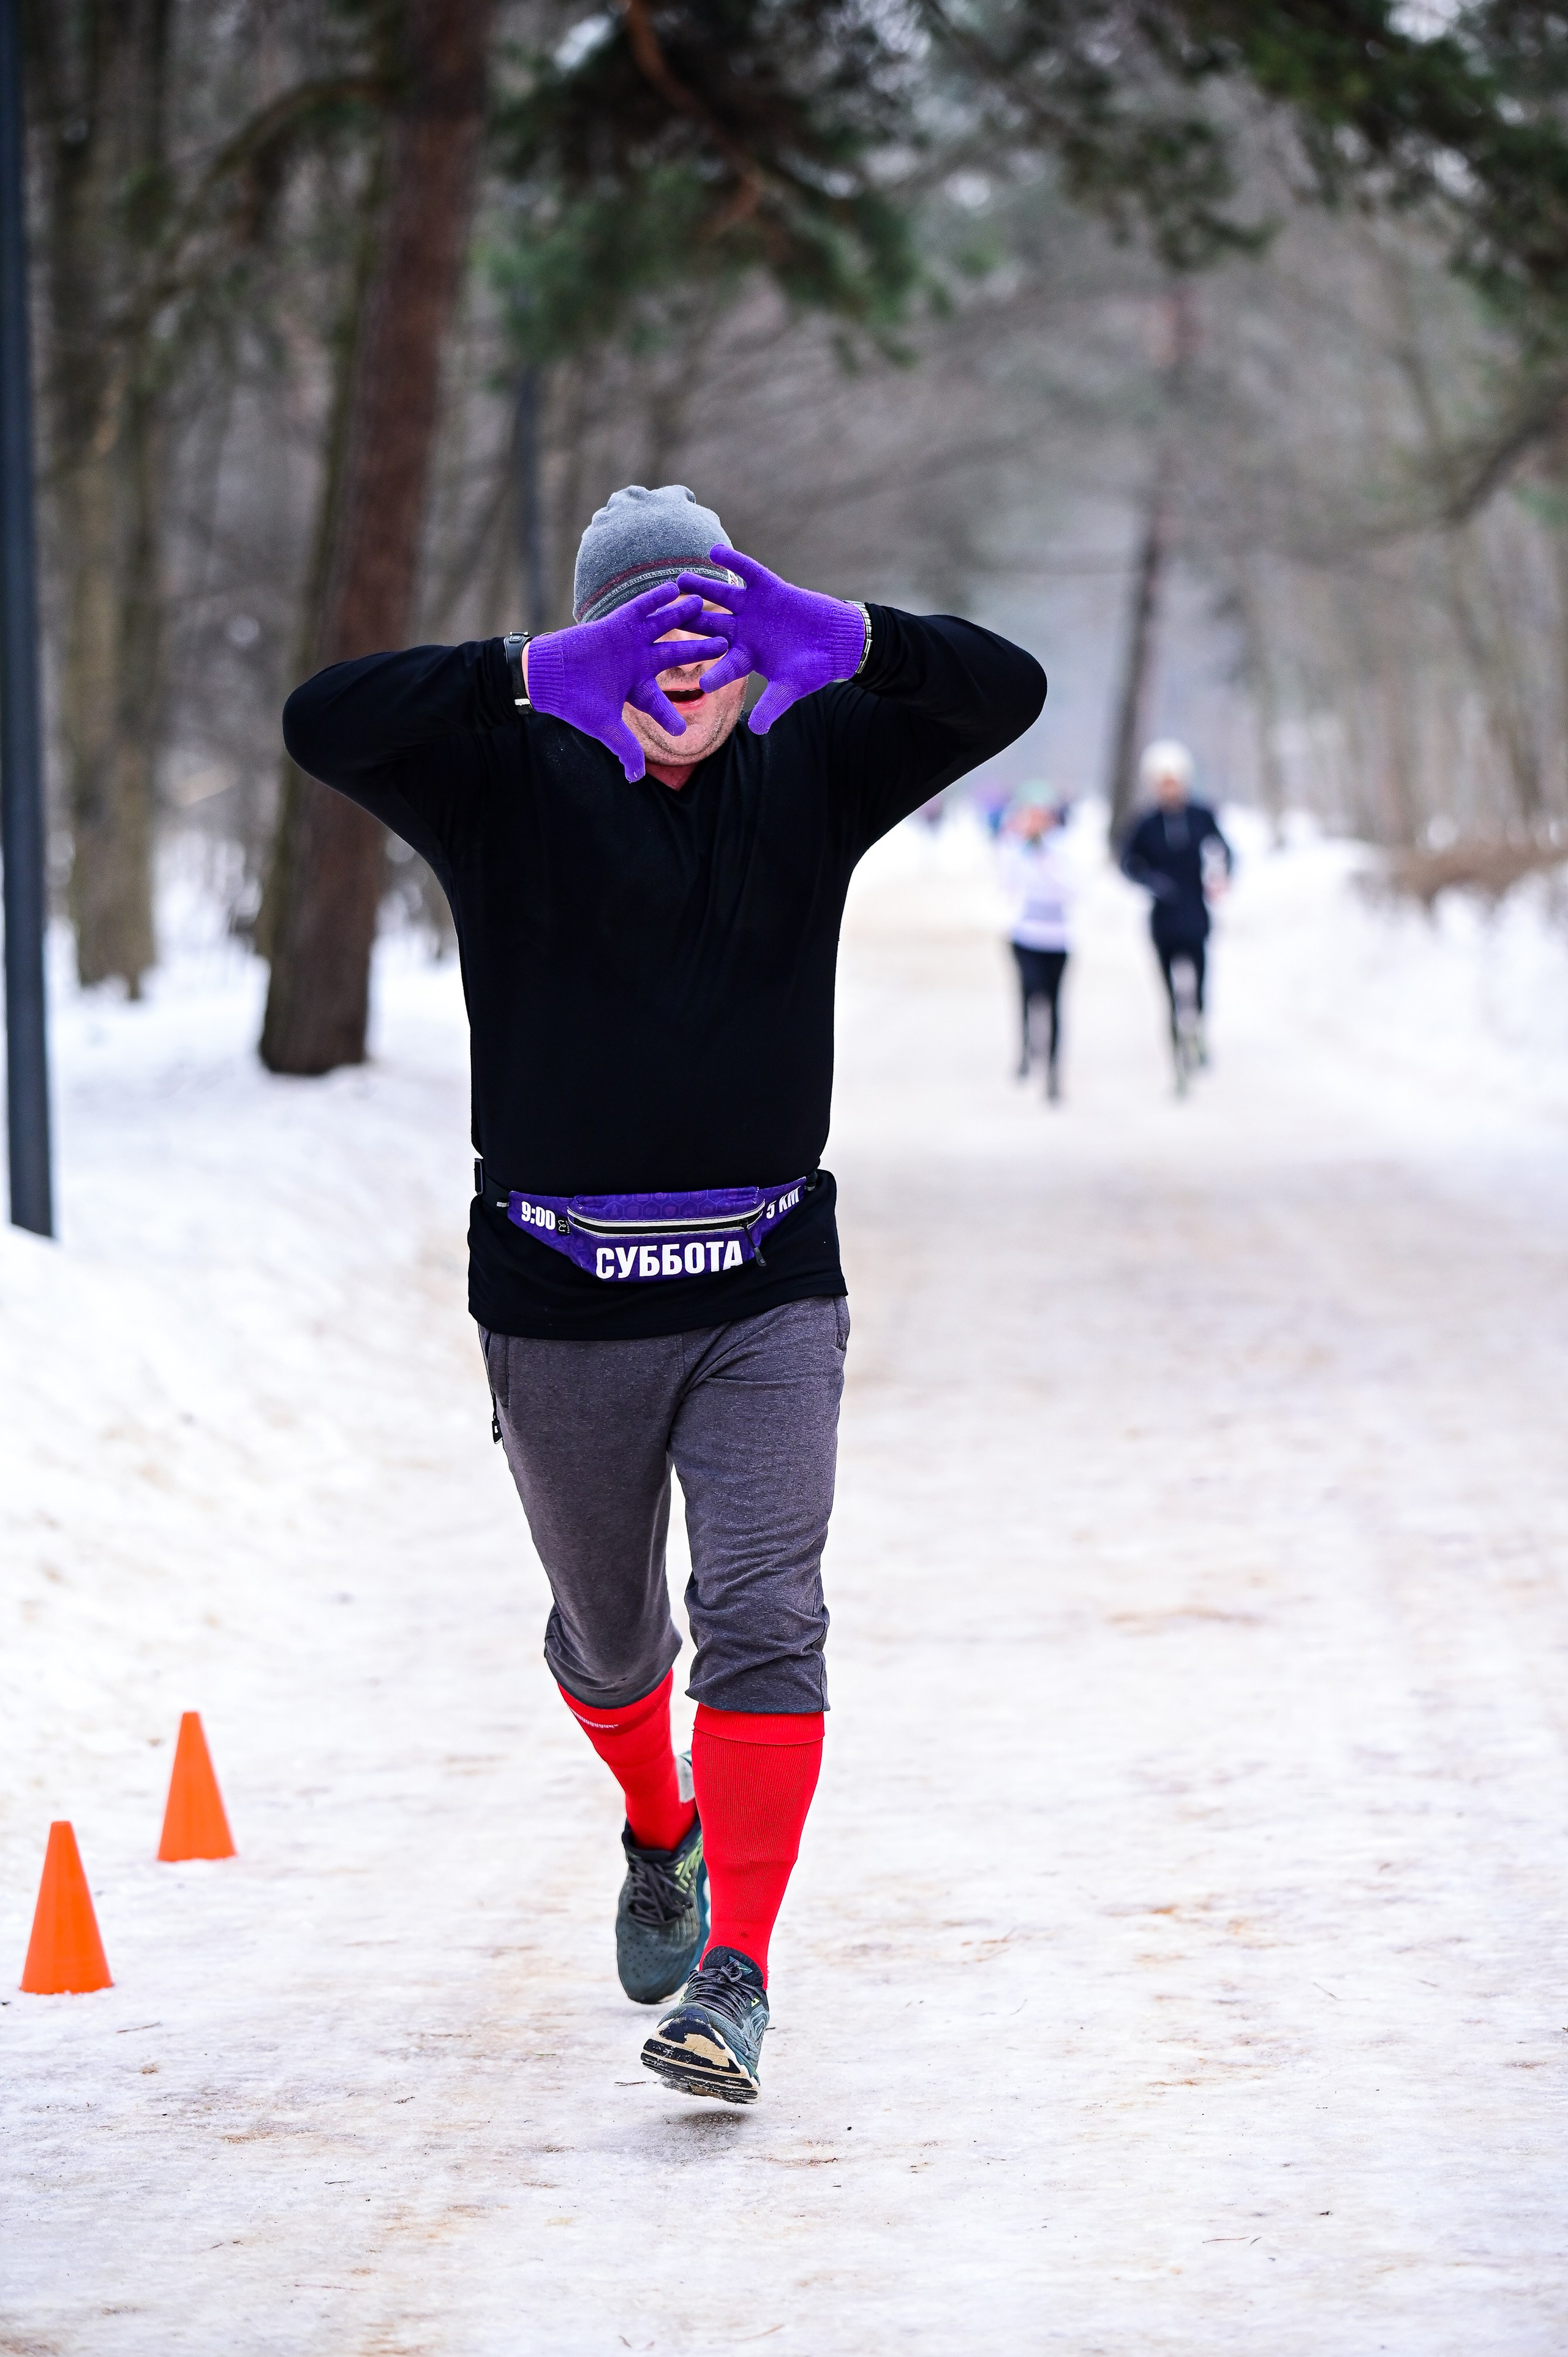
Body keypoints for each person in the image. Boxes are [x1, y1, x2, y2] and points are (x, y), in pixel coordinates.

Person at [282, 483, 1046, 2105]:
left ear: (750, 642)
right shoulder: (503, 772)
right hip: (557, 1296)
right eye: (649, 640)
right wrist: (518, 671)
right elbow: (321, 721)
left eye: (713, 635)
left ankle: (739, 1975)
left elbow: (1007, 690)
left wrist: (844, 640)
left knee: (765, 1622)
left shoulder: (816, 761)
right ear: (593, 647)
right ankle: (657, 1831)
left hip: (771, 1279)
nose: (684, 673)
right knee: (617, 1646)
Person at [1118, 739, 1233, 1092]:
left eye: (1175, 781)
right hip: (1163, 918)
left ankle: (1197, 1030)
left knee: (1198, 983)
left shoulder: (1201, 816)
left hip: (1195, 912)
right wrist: (1150, 882)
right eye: (1163, 782)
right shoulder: (1146, 823)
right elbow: (1127, 863)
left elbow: (1224, 851)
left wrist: (1222, 875)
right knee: (1169, 994)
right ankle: (1177, 1066)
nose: (1170, 788)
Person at [996, 783, 1074, 1101]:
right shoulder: (1014, 848)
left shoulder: (1065, 849)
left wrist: (1045, 858)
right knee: (1029, 993)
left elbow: (1072, 890)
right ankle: (1027, 1049)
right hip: (1025, 935)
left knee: (1055, 1002)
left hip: (1057, 938)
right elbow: (1005, 887)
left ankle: (1054, 1067)